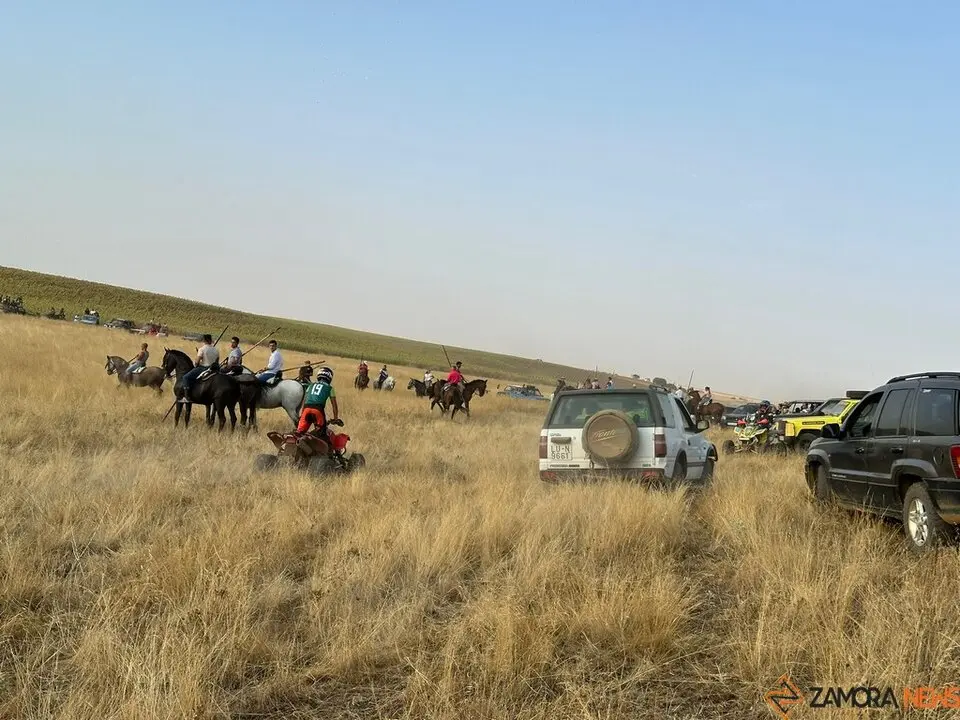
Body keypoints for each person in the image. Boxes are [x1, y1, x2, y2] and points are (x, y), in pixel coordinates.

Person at [298, 366, 339, 436]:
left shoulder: (311, 385)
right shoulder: (330, 388)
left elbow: (304, 401)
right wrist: (335, 418)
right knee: (322, 434)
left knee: (299, 433)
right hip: (318, 410)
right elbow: (334, 406)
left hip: (306, 409)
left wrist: (302, 414)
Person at [180, 334, 220, 401]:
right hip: (214, 369)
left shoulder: (202, 349)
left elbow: (197, 362)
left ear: (204, 340)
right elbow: (217, 361)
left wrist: (196, 365)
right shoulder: (216, 350)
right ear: (210, 340)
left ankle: (186, 397)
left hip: (204, 368)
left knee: (185, 377)